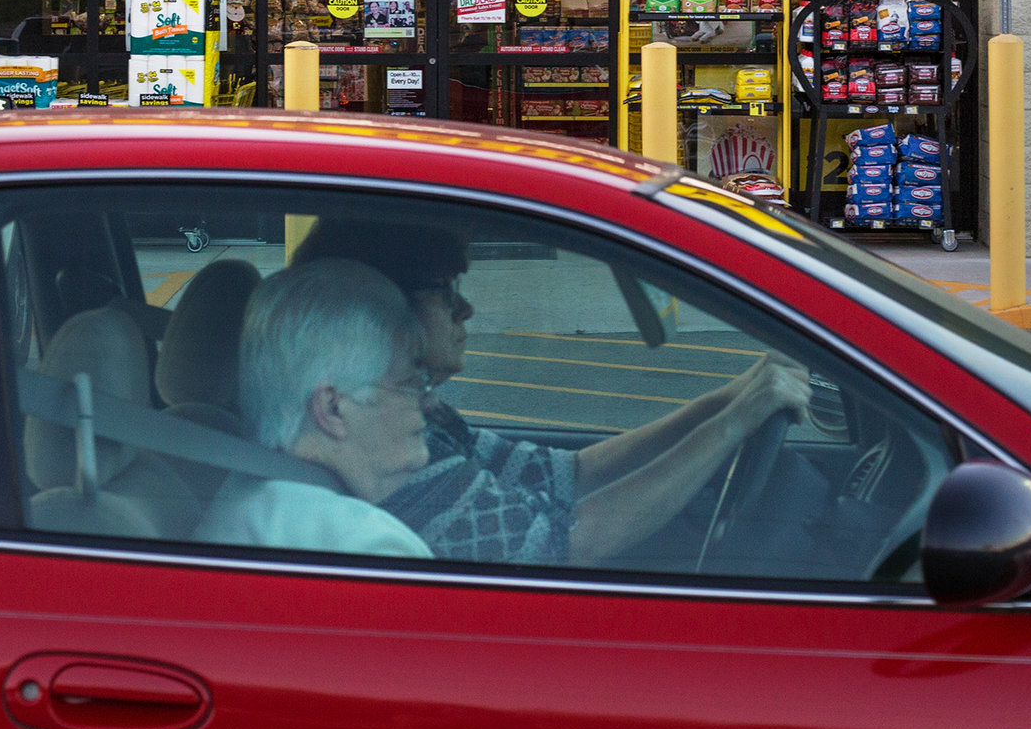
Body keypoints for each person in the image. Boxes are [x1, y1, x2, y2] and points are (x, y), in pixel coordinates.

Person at [293, 221, 810, 567]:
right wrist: (730, 425)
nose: (465, 310)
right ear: (383, 308)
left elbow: (565, 475)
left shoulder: (418, 413)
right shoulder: (387, 447)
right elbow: (571, 538)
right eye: (446, 290)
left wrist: (726, 401)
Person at [193, 258, 435, 559]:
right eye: (410, 383)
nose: (429, 400)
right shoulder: (371, 546)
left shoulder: (239, 494)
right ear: (333, 408)